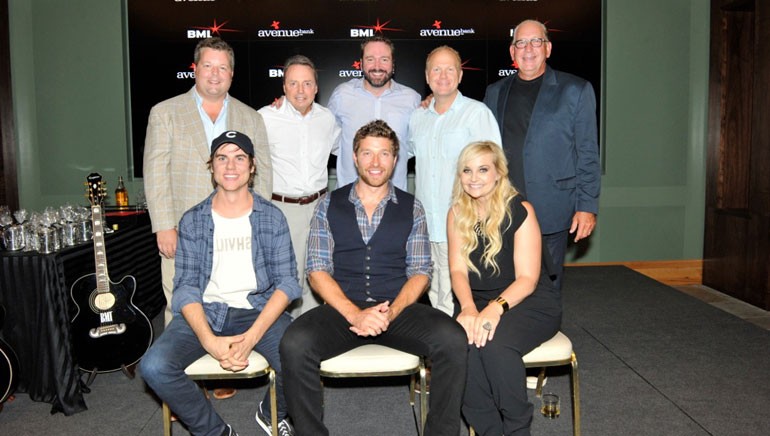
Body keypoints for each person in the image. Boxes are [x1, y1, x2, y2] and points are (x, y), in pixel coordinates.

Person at [279, 120, 467, 436]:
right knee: (294, 343)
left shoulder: (412, 207)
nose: (375, 163)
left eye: (384, 154)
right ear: (354, 157)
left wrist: (391, 312)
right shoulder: (329, 204)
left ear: (396, 160)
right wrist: (355, 314)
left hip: (398, 309)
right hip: (344, 310)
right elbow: (317, 269)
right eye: (367, 153)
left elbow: (420, 272)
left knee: (453, 339)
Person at [140, 131, 300, 436]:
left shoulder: (272, 217)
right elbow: (185, 288)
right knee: (154, 366)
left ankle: (271, 413)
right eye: (222, 158)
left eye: (240, 158)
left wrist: (252, 337)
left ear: (252, 167)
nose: (231, 166)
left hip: (257, 310)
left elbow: (287, 283)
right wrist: (209, 341)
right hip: (207, 312)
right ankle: (216, 432)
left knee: (302, 356)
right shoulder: (192, 220)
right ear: (211, 166)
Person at [143, 36, 272, 328]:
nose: (215, 74)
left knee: (238, 305)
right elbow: (155, 171)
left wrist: (261, 227)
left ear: (232, 74)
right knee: (183, 306)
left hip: (238, 232)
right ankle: (182, 370)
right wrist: (164, 225)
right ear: (195, 68)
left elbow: (262, 173)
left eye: (223, 68)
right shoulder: (165, 113)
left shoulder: (251, 117)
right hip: (182, 231)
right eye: (208, 66)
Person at [447, 141, 561, 435]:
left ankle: (517, 429)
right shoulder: (457, 213)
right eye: (467, 170)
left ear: (498, 172)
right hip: (477, 300)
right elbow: (458, 270)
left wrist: (493, 310)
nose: (474, 178)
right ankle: (489, 430)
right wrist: (470, 309)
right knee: (459, 348)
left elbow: (527, 279)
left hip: (528, 301)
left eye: (483, 169)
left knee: (496, 346)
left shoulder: (520, 209)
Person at [483, 19, 601, 289]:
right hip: (504, 208)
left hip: (552, 208)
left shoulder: (576, 90)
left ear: (548, 48)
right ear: (512, 52)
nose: (528, 48)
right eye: (521, 42)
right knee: (505, 282)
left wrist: (586, 207)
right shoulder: (494, 92)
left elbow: (587, 153)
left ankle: (545, 329)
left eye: (536, 41)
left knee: (548, 285)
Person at [407, 45, 501, 316]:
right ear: (427, 76)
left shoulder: (477, 113)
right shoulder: (417, 118)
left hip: (465, 225)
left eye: (450, 69)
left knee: (466, 297)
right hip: (427, 225)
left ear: (460, 76)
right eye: (436, 69)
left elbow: (495, 168)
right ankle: (443, 351)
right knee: (436, 297)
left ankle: (467, 351)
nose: (443, 75)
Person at [258, 55, 341, 317]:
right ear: (283, 87)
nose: (300, 90)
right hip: (282, 207)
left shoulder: (327, 119)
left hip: (319, 207)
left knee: (317, 274)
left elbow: (342, 151)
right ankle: (281, 339)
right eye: (293, 83)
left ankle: (309, 338)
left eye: (307, 84)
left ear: (316, 87)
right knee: (284, 276)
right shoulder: (265, 118)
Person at [327, 35, 420, 191]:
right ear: (361, 64)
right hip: (348, 198)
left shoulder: (412, 99)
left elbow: (413, 145)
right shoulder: (342, 95)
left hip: (394, 199)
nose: (377, 66)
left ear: (393, 64)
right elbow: (327, 136)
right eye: (370, 59)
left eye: (384, 59)